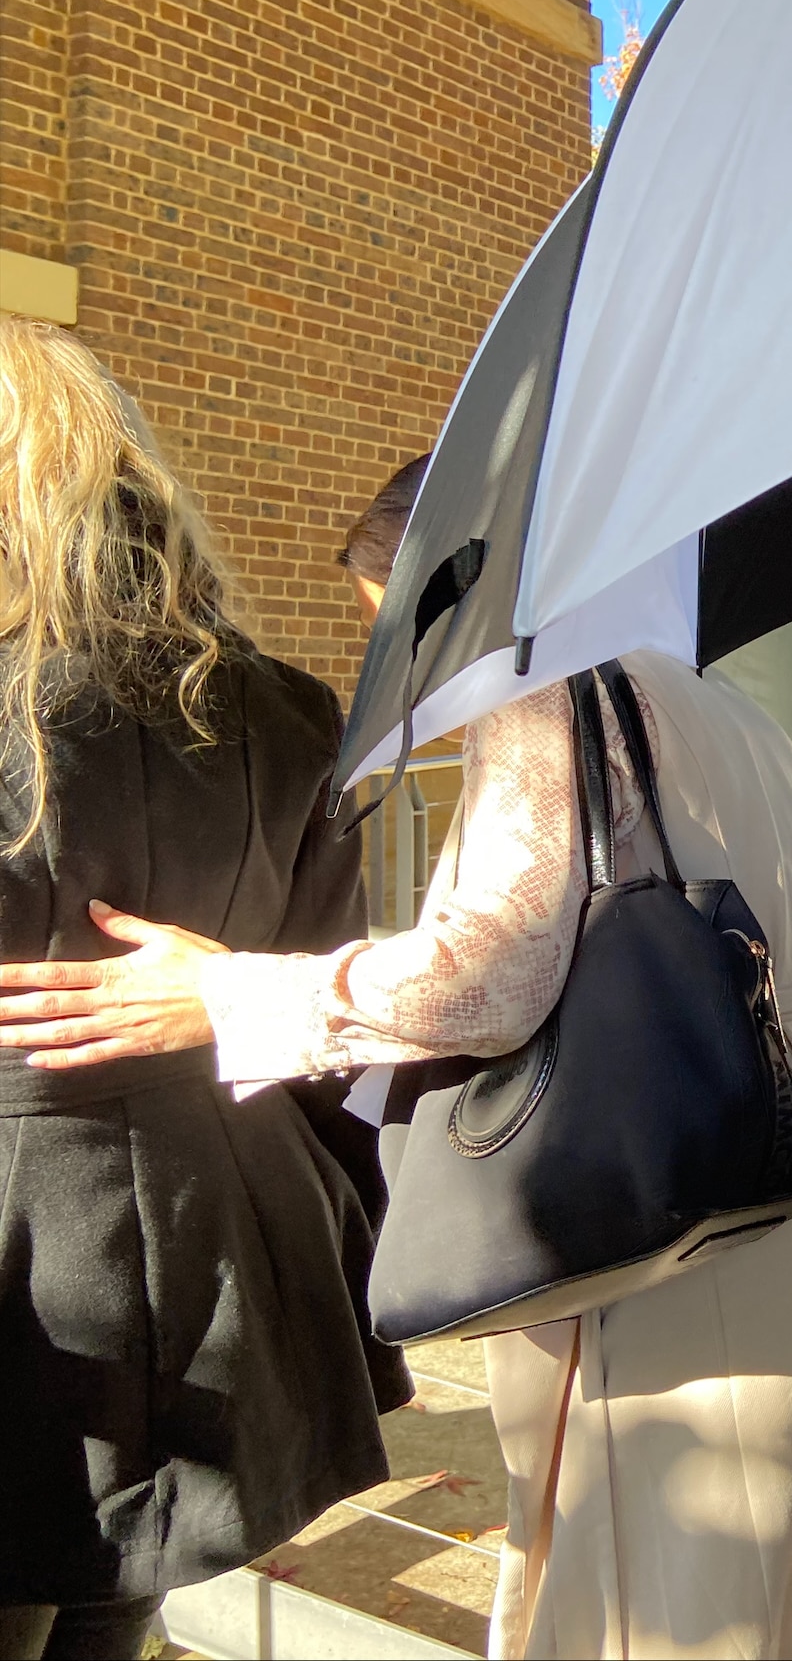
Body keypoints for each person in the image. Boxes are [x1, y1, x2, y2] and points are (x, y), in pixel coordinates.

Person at [0, 459, 792, 1660]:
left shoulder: (543, 686)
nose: (403, 665)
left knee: (703, 1586)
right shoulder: (721, 701)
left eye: (394, 614)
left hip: (703, 1216)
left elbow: (488, 974)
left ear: (458, 590)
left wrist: (222, 991)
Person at [0, 317, 398, 1659]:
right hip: (218, 1220)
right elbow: (319, 1014)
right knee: (115, 1612)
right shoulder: (287, 711)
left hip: (25, 1244)